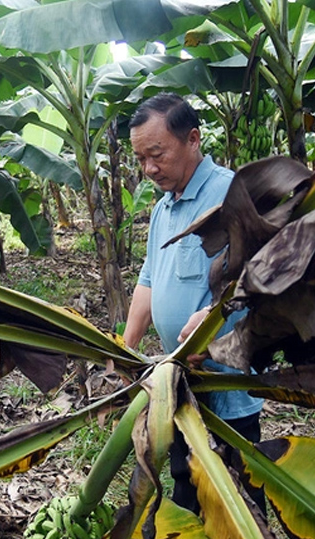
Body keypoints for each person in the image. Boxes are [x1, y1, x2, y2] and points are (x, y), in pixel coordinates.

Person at [123, 92, 263, 513]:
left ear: (193, 139)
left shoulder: (231, 195)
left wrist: (213, 319)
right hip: (179, 380)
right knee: (186, 477)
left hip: (224, 382)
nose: (149, 168)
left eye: (157, 154)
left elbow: (264, 277)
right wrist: (125, 346)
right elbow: (150, 278)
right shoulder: (165, 206)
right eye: (141, 158)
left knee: (236, 486)